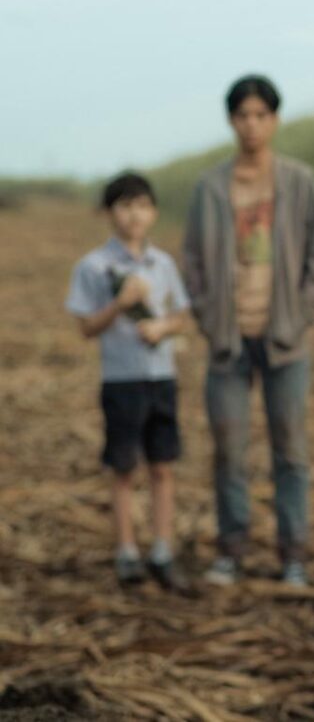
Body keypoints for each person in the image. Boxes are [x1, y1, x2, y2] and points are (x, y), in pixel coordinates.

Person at [182, 74, 314, 588]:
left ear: (275, 120)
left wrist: (300, 317)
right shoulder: (210, 186)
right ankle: (231, 547)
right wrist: (208, 316)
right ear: (231, 121)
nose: (251, 125)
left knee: (290, 450)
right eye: (242, 115)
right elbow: (193, 263)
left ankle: (293, 551)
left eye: (260, 115)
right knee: (229, 448)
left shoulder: (299, 181)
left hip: (285, 340)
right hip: (228, 340)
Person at [65, 172, 192, 592]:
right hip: (121, 379)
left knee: (163, 465)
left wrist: (162, 329)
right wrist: (119, 304)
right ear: (109, 213)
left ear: (153, 212)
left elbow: (181, 315)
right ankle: (126, 550)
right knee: (122, 467)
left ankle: (161, 548)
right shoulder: (94, 267)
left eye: (141, 205)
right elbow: (86, 327)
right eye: (124, 205)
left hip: (161, 377)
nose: (133, 215)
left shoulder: (163, 264)